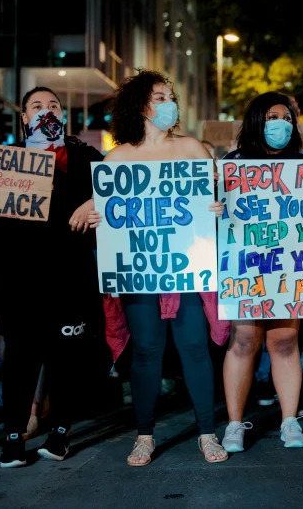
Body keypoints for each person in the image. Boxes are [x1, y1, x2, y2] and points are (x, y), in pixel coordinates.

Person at [88, 70, 226, 466]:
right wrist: (100, 218)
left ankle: (207, 432)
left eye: (171, 96)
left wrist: (217, 209)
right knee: (146, 350)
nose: (170, 103)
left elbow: (214, 202)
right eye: (160, 96)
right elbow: (109, 212)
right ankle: (144, 436)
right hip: (140, 270)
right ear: (139, 105)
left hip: (187, 268)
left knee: (194, 348)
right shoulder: (118, 157)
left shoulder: (194, 149)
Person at [0, 87, 104, 468]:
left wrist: (94, 201)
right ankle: (12, 435)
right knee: (21, 360)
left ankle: (60, 432)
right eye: (36, 106)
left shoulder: (86, 157)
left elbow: (118, 189)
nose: (46, 111)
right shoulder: (7, 161)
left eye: (53, 105)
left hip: (71, 276)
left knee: (66, 359)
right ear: (23, 118)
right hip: (22, 279)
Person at [220, 91, 303, 452]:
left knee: (285, 342)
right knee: (244, 342)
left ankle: (290, 422)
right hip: (246, 269)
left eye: (287, 119)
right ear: (258, 120)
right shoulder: (234, 162)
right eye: (274, 117)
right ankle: (233, 425)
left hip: (288, 269)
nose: (281, 124)